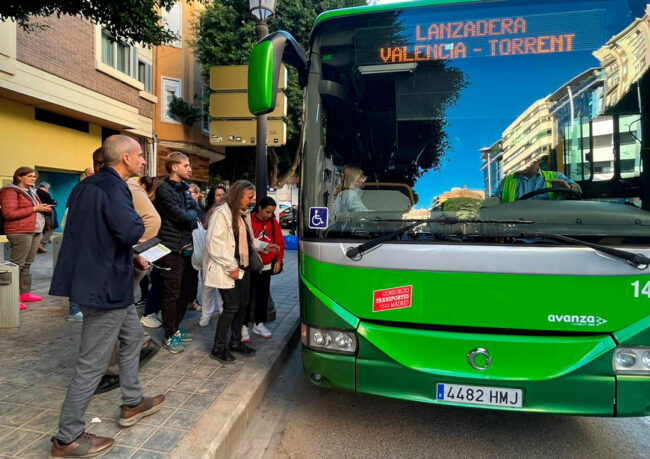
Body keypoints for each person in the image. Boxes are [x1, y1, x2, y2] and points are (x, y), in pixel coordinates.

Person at [49, 135, 164, 458]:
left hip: (99, 282)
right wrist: (137, 243)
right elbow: (128, 230)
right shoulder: (116, 187)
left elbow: (98, 234)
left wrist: (132, 255)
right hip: (104, 288)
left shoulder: (86, 185)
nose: (143, 162)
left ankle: (132, 401)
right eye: (140, 156)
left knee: (132, 339)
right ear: (125, 158)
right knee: (91, 364)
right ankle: (67, 437)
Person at [204, 180, 279, 363]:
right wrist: (231, 267)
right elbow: (214, 244)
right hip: (228, 268)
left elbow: (249, 241)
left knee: (243, 304)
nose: (251, 201)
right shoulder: (221, 214)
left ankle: (235, 342)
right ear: (238, 195)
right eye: (249, 197)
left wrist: (265, 245)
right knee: (231, 307)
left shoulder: (242, 215)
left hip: (243, 267)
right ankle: (218, 347)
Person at [154, 152, 200, 353]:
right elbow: (181, 216)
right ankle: (169, 333)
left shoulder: (185, 190)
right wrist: (189, 215)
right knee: (171, 292)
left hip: (187, 248)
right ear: (174, 167)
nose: (189, 168)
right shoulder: (164, 189)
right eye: (186, 165)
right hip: (170, 248)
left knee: (186, 290)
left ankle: (176, 327)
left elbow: (195, 212)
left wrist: (189, 214)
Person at [0, 167, 52, 310]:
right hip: (20, 231)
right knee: (17, 265)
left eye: (34, 176)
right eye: (29, 176)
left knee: (28, 264)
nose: (33, 179)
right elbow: (8, 213)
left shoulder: (31, 192)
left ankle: (24, 294)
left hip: (34, 230)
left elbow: (33, 208)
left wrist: (43, 208)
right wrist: (35, 209)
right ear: (19, 177)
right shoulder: (10, 191)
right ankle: (11, 297)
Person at [250, 197, 285, 339]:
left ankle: (259, 324)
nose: (269, 215)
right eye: (267, 212)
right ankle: (243, 325)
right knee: (246, 296)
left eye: (272, 212)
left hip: (266, 265)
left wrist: (278, 260)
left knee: (262, 295)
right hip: (250, 264)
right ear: (259, 208)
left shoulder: (272, 222)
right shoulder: (248, 219)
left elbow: (280, 243)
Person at [198, 185, 226, 327]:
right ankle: (206, 314)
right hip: (209, 254)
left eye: (223, 194)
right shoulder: (208, 212)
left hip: (223, 255)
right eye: (217, 195)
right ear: (212, 197)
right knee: (207, 286)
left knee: (222, 285)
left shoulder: (228, 211)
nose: (221, 197)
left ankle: (222, 309)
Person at [496, 158, 581, 203]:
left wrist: (568, 188)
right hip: (517, 232)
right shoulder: (505, 182)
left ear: (539, 158)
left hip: (550, 232)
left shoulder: (556, 176)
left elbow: (577, 190)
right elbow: (492, 204)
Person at [36, 181, 58, 253]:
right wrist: (54, 202)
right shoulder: (45, 194)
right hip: (47, 214)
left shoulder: (35, 192)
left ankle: (37, 244)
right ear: (46, 188)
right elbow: (52, 204)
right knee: (50, 228)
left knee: (41, 229)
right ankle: (41, 244)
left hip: (38, 214)